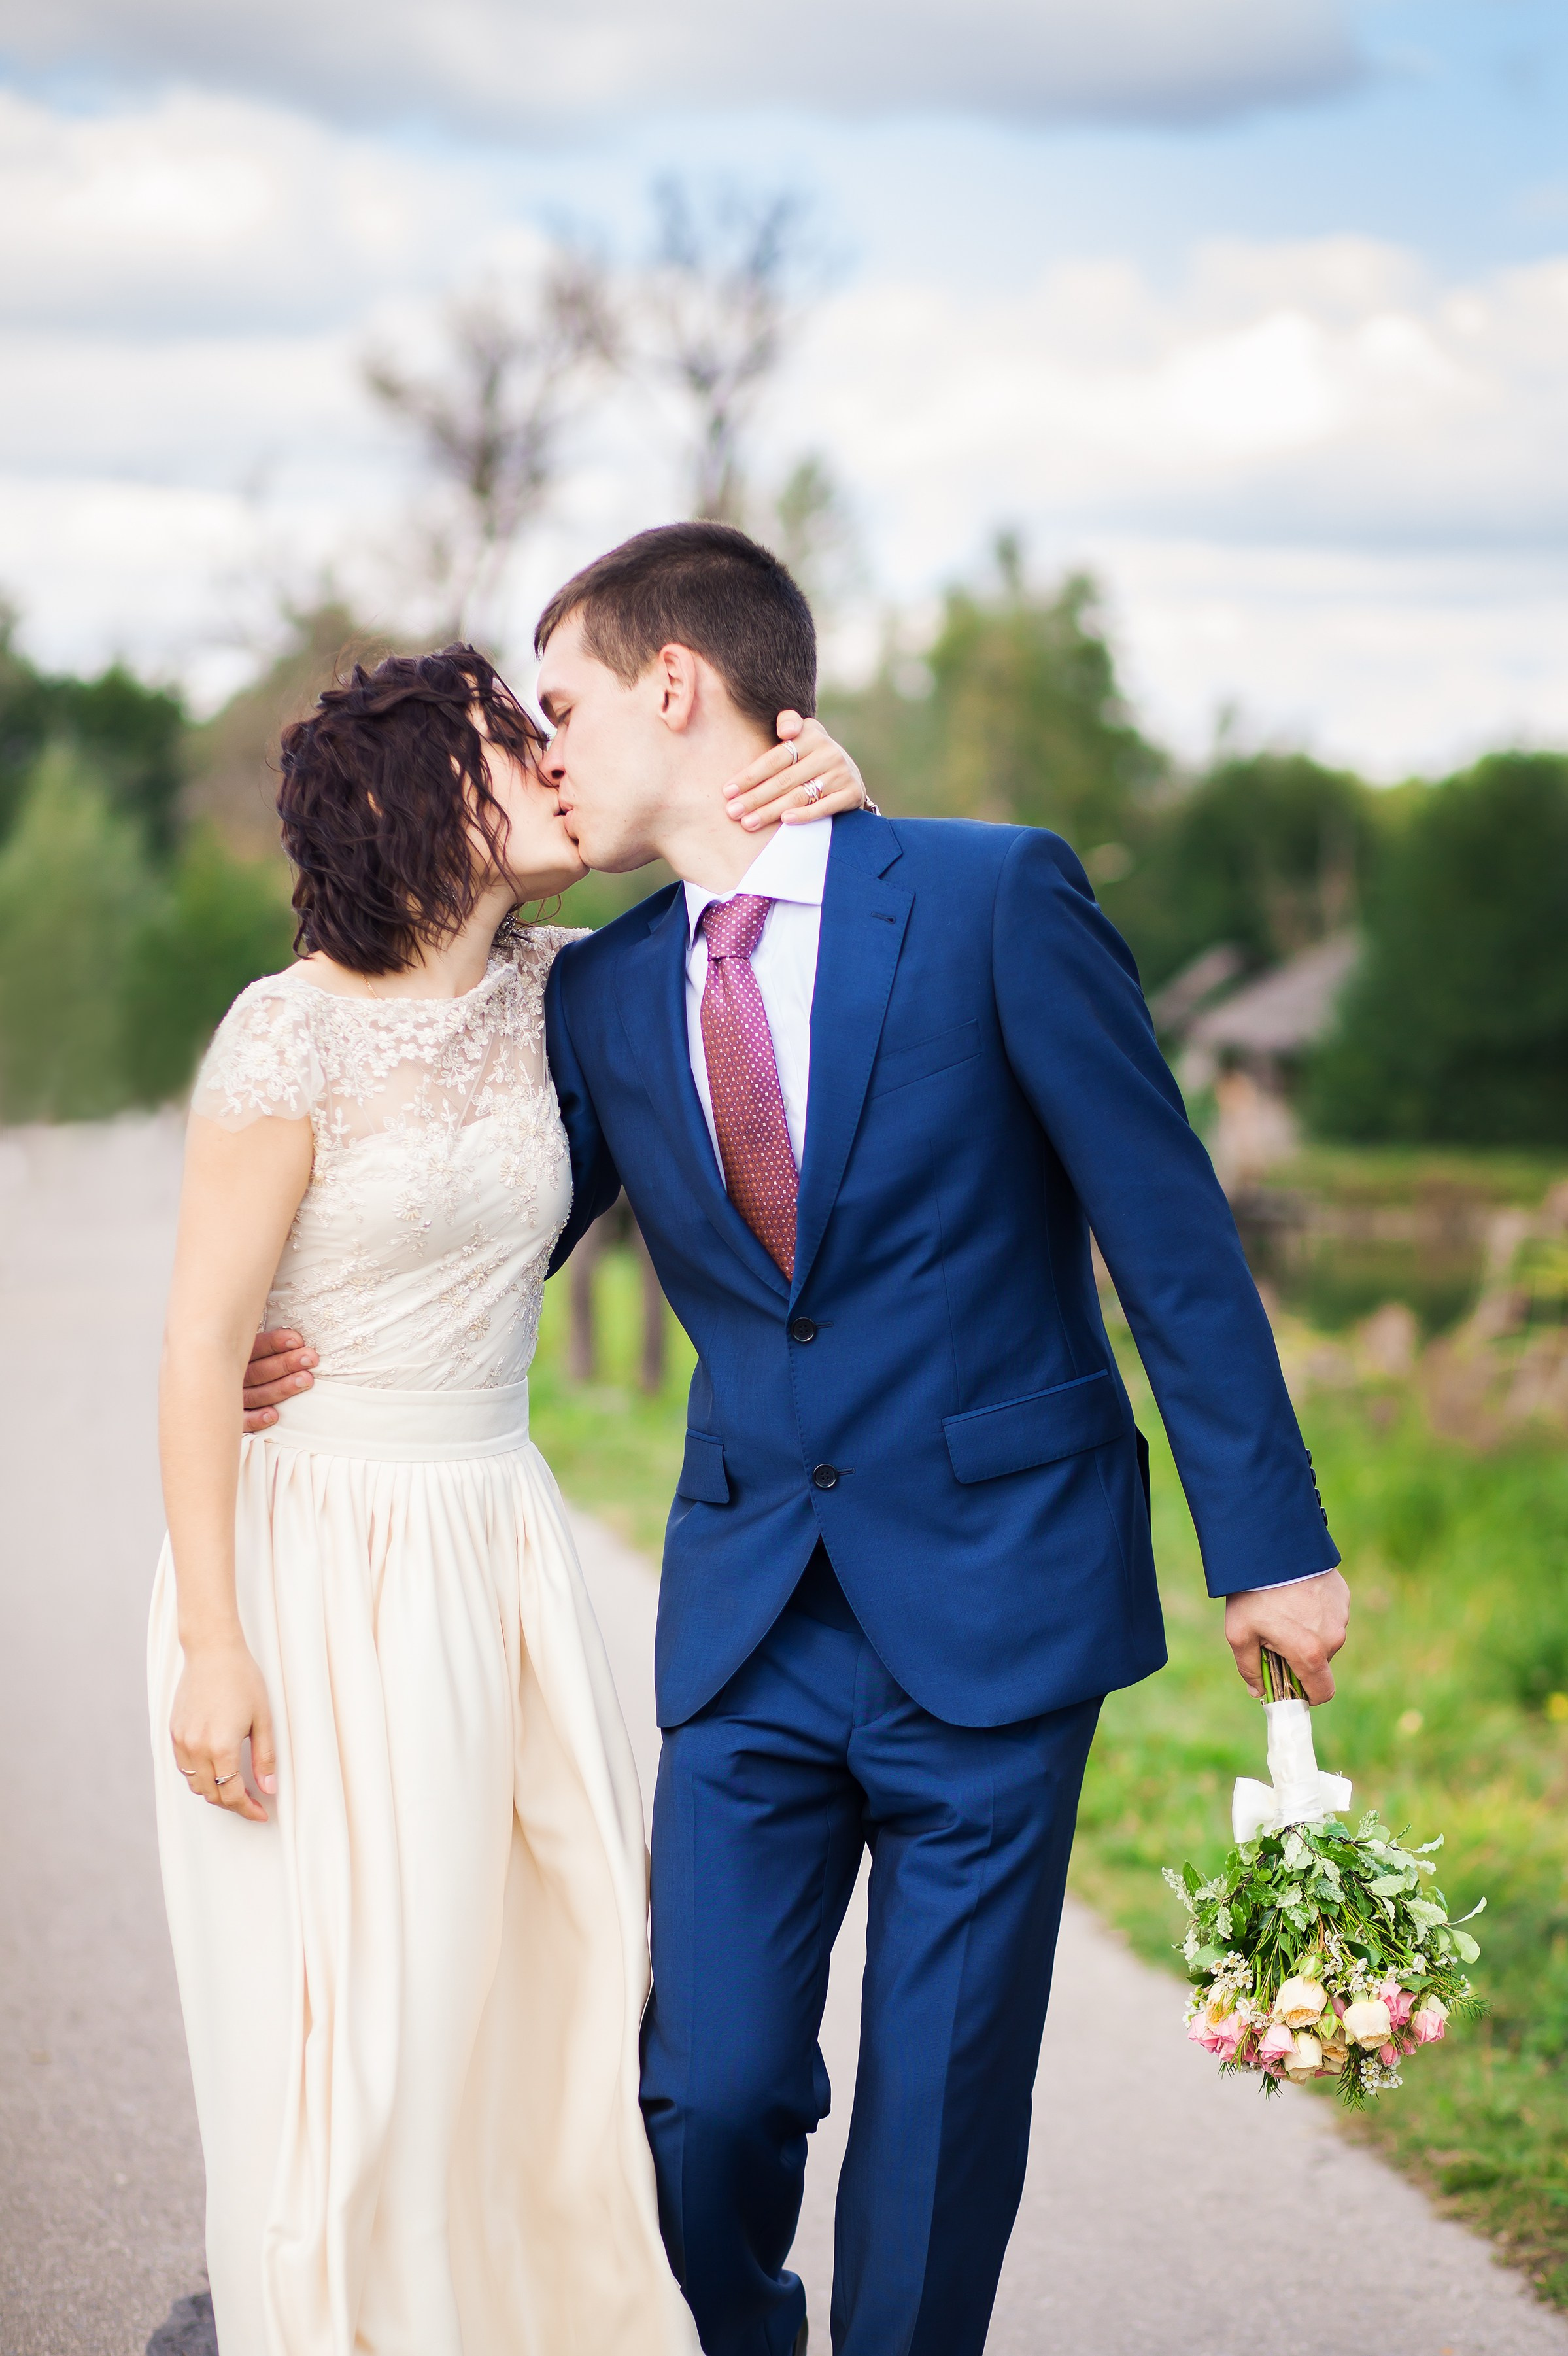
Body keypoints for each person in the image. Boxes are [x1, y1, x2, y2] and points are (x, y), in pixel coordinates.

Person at [245, 522, 1350, 2356]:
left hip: (1001, 1607)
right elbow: (493, 1223)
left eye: (570, 705)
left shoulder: (997, 901)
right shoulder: (595, 992)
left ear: (676, 686)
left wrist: (1274, 1539)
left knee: (931, 2125)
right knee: (709, 2098)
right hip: (755, 1618)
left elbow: (1169, 1233)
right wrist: (297, 1343)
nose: (549, 749)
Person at [150, 641, 871, 2356]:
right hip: (314, 1556)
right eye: (518, 743)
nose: (564, 763)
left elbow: (761, 921)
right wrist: (210, 1645)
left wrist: (825, 799)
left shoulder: (569, 990)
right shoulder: (288, 1034)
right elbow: (198, 1353)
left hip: (497, 1544)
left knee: (537, 1995)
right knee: (365, 2032)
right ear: (422, 798)